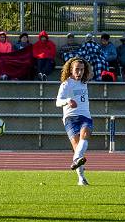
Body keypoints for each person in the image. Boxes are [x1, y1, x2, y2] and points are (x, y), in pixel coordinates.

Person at [56, 57, 93, 186]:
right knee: (78, 148)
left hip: (85, 116)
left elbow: (91, 72)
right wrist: (67, 101)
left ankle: (76, 159)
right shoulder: (66, 84)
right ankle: (81, 178)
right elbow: (58, 101)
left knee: (85, 135)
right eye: (77, 69)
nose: (79, 72)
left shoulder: (84, 82)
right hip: (70, 118)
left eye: (82, 69)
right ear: (71, 70)